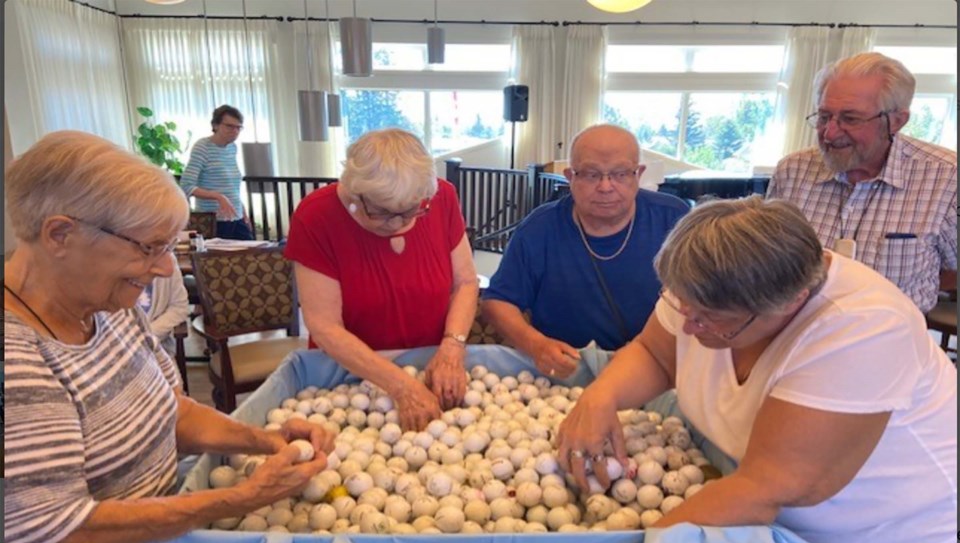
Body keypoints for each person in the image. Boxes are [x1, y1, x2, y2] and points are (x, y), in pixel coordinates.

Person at [556, 196, 956, 543]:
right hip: (776, 535)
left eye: (709, 319)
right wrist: (600, 398)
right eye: (682, 306)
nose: (688, 326)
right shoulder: (711, 274)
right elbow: (656, 352)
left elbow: (766, 487)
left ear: (789, 303)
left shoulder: (862, 328)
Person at [3, 131, 334, 543]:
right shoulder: (17, 359)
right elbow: (51, 536)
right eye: (149, 247)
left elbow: (172, 412)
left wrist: (267, 441)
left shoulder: (110, 310)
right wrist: (236, 499)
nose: (163, 269)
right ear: (60, 235)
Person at [284, 128, 478, 432]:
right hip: (349, 376)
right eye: (383, 213)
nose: (399, 222)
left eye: (412, 211)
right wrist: (402, 387)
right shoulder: (316, 217)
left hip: (430, 364)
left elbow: (465, 282)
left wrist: (452, 348)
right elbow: (324, 326)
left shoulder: (442, 197)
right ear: (354, 193)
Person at [481, 124, 690, 379]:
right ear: (570, 177)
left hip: (658, 370)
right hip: (565, 372)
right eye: (591, 174)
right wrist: (536, 345)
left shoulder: (675, 220)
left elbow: (707, 297)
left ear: (639, 174)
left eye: (621, 173)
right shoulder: (539, 229)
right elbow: (498, 302)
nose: (605, 186)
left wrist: (651, 349)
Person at [767, 52, 957, 314]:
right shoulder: (792, 171)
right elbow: (769, 260)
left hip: (890, 340)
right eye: (824, 117)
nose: (830, 133)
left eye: (851, 118)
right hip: (799, 335)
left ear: (896, 121)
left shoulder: (947, 178)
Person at [179, 104, 255, 240]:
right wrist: (218, 196)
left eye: (238, 127)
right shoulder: (202, 147)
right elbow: (186, 186)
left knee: (249, 255)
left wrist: (243, 212)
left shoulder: (232, 148)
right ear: (215, 125)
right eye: (229, 126)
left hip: (236, 216)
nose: (235, 131)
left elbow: (232, 187)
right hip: (214, 220)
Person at [137, 262, 190, 355]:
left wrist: (149, 334)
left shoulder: (168, 260)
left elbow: (180, 307)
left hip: (158, 344)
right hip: (118, 347)